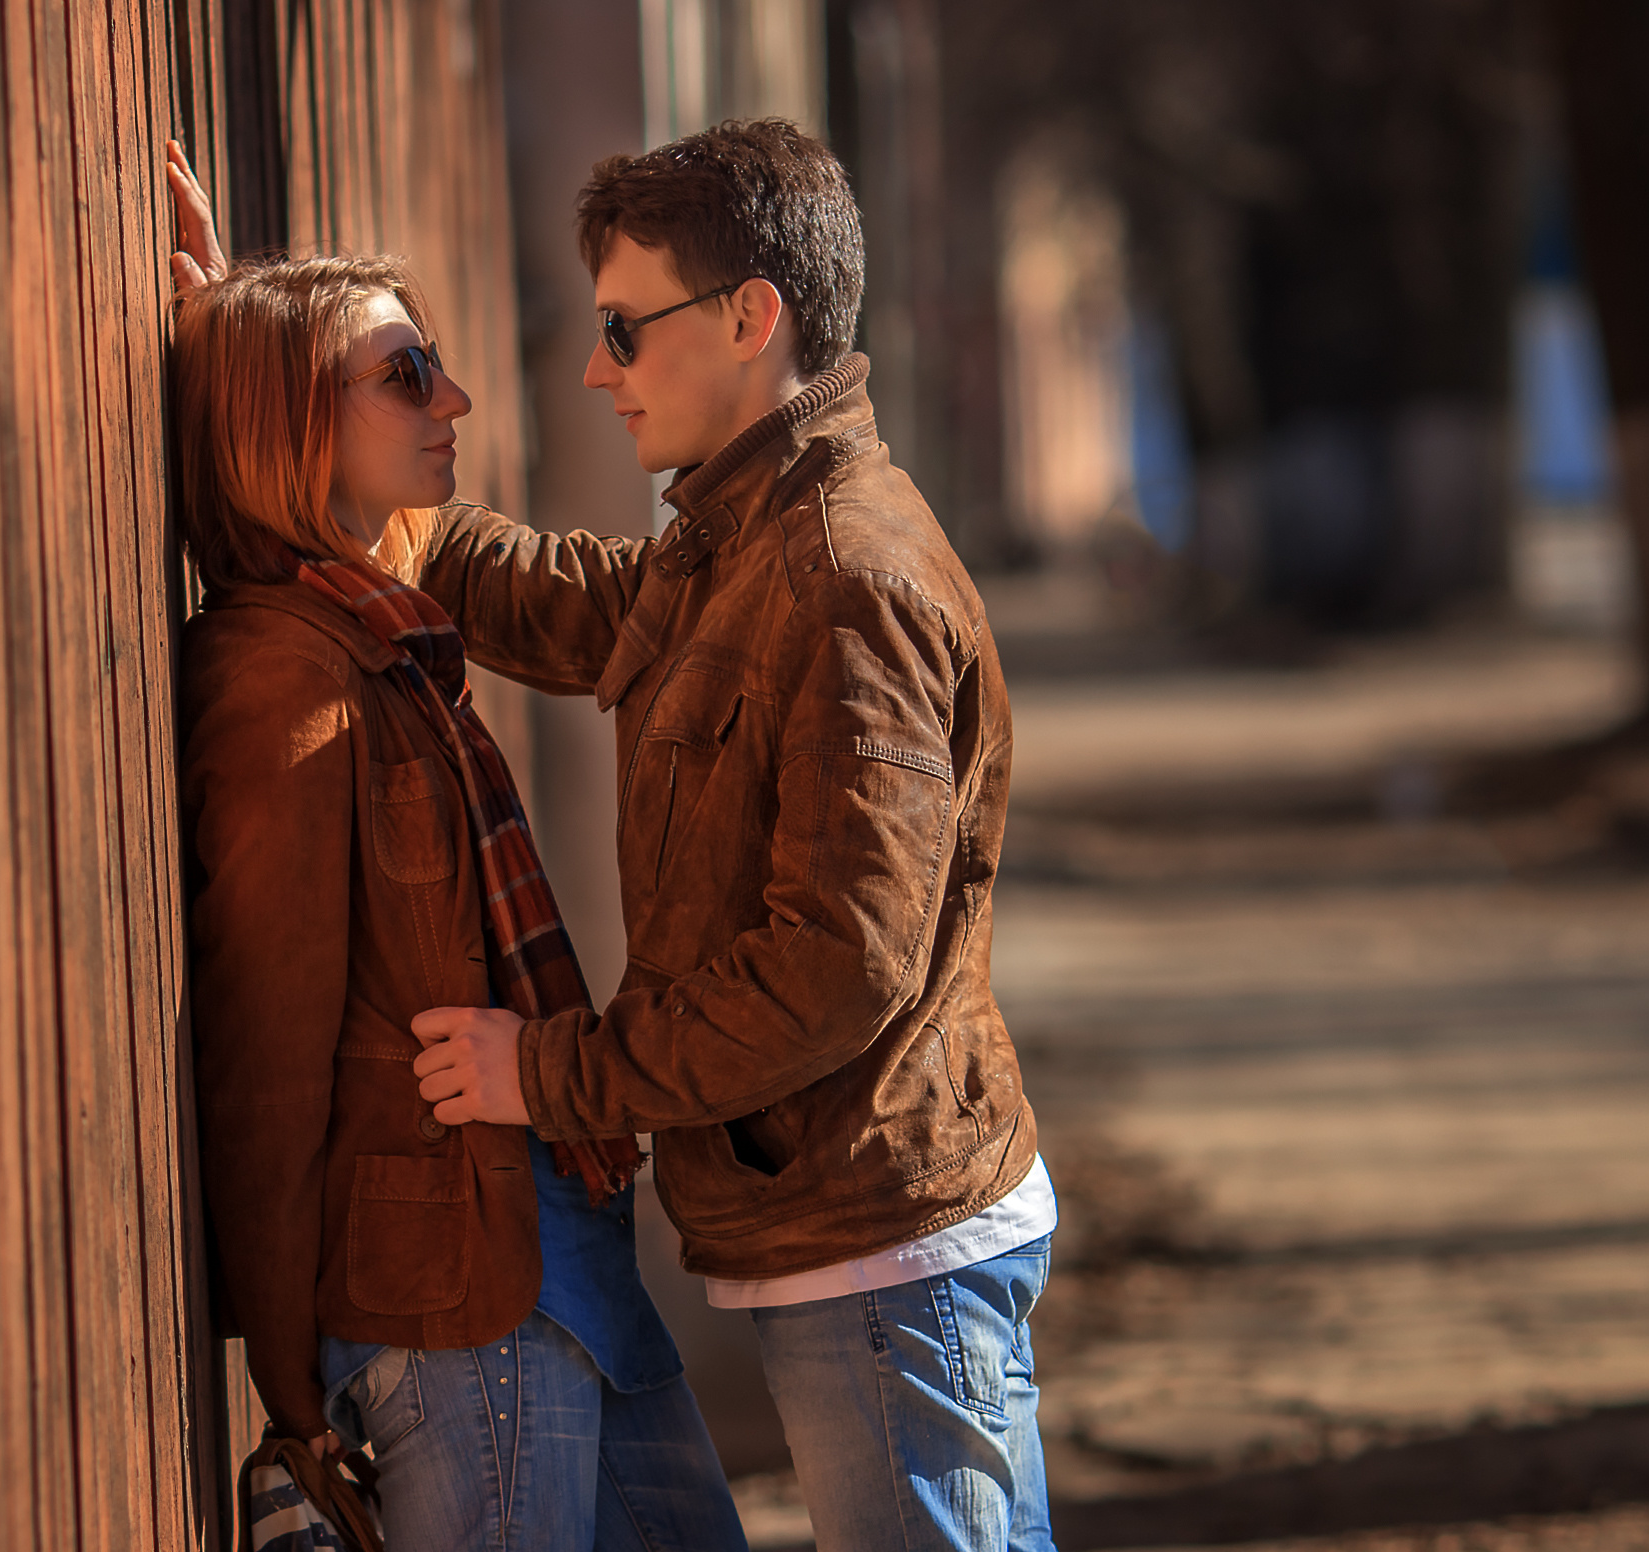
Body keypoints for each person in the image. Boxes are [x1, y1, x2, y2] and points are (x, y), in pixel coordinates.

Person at [170, 115, 1057, 1552]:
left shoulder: (839, 575)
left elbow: (839, 964)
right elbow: (540, 590)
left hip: (886, 1235)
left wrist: (561, 1075)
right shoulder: (740, 549)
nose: (595, 368)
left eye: (626, 330)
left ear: (750, 320)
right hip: (816, 1224)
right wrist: (264, 368)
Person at [167, 239, 747, 1551]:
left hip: (564, 1258)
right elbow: (268, 1051)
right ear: (290, 418)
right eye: (408, 376)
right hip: (452, 1307)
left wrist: (247, 304)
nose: (455, 404)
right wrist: (286, 1379)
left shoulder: (385, 629)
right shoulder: (284, 687)